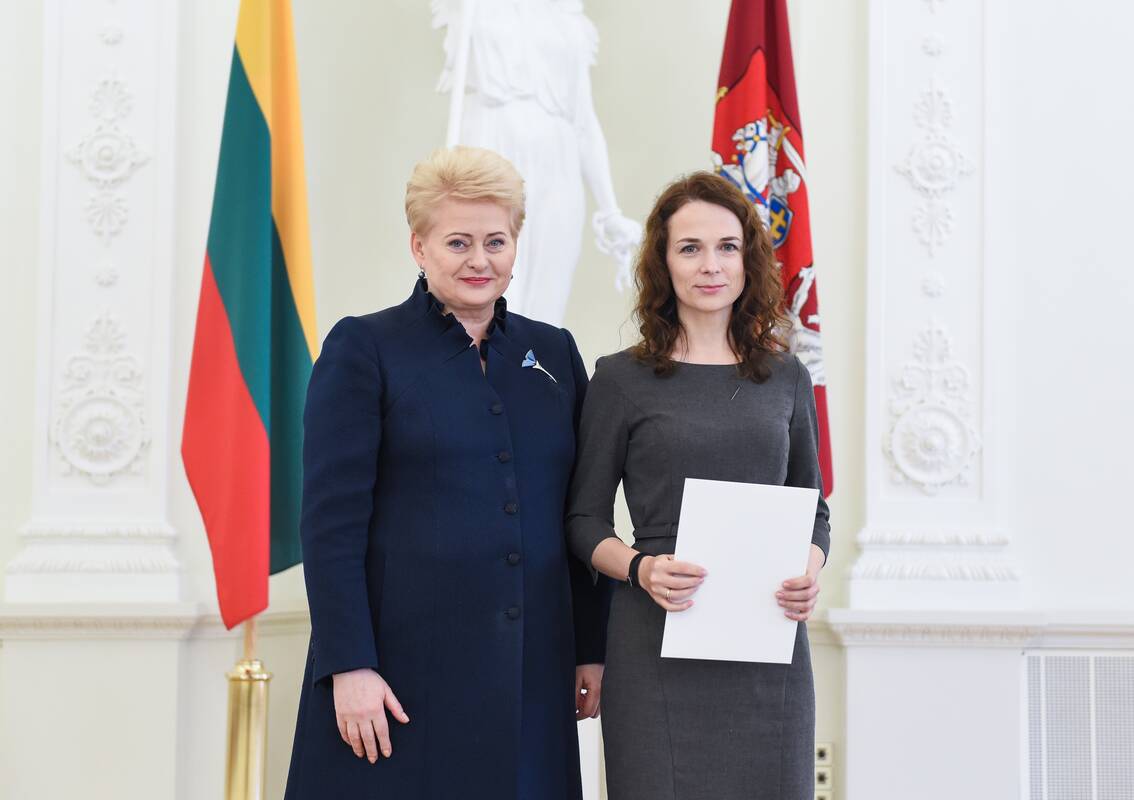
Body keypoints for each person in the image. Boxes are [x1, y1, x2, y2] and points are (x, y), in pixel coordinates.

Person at [285, 146, 610, 800]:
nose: (479, 260)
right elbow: (330, 528)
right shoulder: (364, 348)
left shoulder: (553, 352)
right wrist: (349, 665)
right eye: (458, 242)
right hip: (399, 678)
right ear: (419, 246)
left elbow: (577, 512)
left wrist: (590, 646)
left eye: (496, 241)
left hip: (530, 677)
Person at [566, 171, 831, 800]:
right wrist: (640, 569)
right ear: (663, 263)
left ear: (748, 261)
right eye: (690, 248)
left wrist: (809, 568)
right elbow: (583, 522)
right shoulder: (619, 379)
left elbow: (813, 509)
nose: (710, 265)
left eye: (726, 247)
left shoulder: (788, 377)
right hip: (654, 639)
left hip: (768, 640)